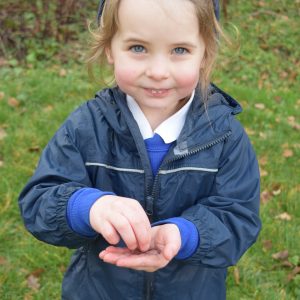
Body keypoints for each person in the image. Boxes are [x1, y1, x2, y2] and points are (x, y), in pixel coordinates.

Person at [19, 0, 261, 299]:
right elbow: (39, 200)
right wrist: (88, 207)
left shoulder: (223, 135)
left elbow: (238, 217)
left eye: (180, 50)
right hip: (99, 289)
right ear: (110, 48)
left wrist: (184, 235)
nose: (158, 71)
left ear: (205, 52)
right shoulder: (86, 127)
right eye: (138, 48)